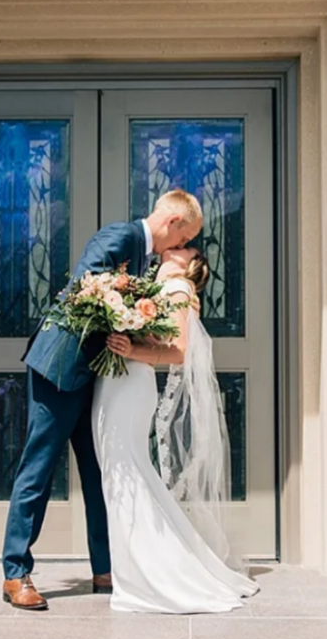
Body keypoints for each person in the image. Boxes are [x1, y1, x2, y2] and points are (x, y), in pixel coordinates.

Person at [1, 189, 203, 611]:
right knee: (38, 470)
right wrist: (131, 313)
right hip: (59, 369)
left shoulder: (147, 258)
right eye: (185, 240)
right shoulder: (119, 237)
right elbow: (85, 293)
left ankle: (105, 567)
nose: (182, 249)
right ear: (174, 224)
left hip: (95, 378)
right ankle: (15, 572)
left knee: (99, 474)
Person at [97, 247, 259, 613]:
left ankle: (153, 574)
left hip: (130, 384)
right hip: (118, 382)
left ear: (189, 264)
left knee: (129, 477)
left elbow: (178, 352)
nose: (175, 247)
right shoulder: (158, 286)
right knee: (123, 477)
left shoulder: (177, 290)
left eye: (185, 247)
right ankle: (139, 567)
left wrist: (129, 350)